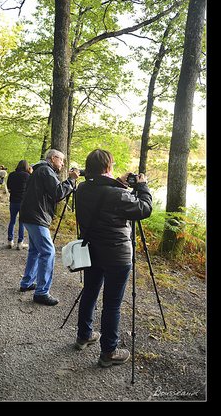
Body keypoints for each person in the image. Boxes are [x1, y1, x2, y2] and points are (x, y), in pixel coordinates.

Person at [73, 149, 152, 367]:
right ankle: (108, 352)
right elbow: (144, 209)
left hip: (91, 250)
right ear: (108, 167)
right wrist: (142, 186)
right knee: (112, 303)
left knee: (89, 292)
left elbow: (102, 193)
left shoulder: (82, 189)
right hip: (116, 255)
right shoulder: (116, 194)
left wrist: (119, 183)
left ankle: (84, 336)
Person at [19, 149, 80, 306]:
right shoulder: (46, 170)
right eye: (61, 160)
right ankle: (41, 292)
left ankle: (27, 282)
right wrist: (71, 181)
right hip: (36, 216)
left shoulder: (40, 169)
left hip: (30, 215)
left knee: (35, 250)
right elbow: (58, 193)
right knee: (48, 251)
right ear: (53, 158)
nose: (63, 164)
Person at [6, 160, 32, 249]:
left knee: (12, 221)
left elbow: (8, 187)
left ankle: (10, 241)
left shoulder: (11, 174)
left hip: (13, 200)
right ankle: (20, 243)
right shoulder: (27, 176)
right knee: (22, 222)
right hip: (23, 202)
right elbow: (31, 187)